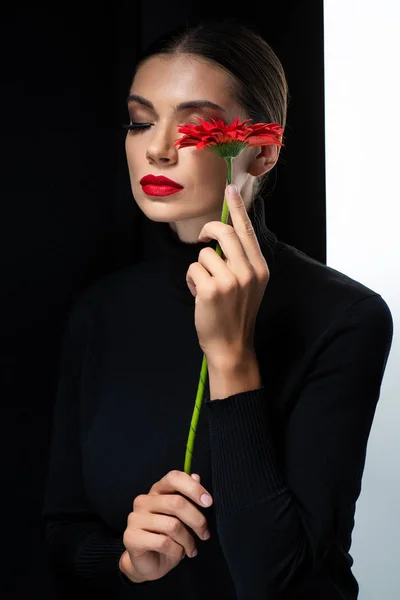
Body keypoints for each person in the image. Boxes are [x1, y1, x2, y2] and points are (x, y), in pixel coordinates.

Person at [42, 16, 393, 600]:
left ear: (262, 153)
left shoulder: (345, 318)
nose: (156, 148)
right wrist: (127, 561)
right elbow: (62, 536)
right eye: (140, 121)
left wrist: (232, 357)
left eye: (195, 128)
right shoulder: (101, 310)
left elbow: (285, 586)